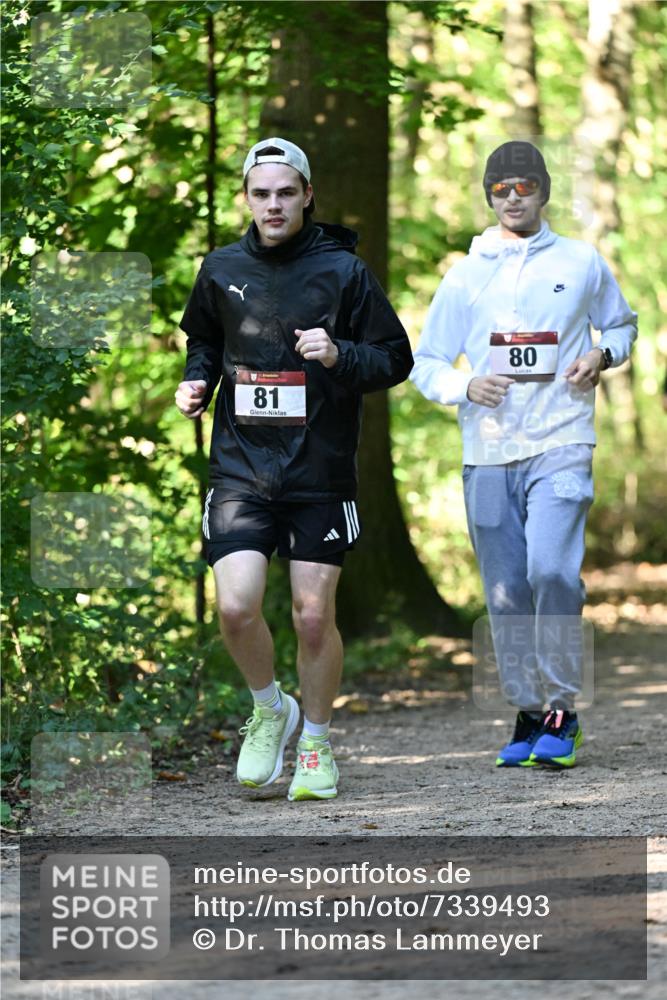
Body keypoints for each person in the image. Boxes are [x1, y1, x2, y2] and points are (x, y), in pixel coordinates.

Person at [176, 137, 413, 800]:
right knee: (236, 606)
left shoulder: (343, 271)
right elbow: (204, 341)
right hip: (241, 471)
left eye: (285, 192)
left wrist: (338, 354)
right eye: (261, 194)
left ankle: (313, 744)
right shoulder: (220, 266)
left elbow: (394, 359)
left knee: (313, 615)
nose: (273, 205)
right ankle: (267, 708)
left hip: (319, 473)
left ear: (307, 195)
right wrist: (196, 384)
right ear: (247, 199)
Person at [411, 140, 637, 769]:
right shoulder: (465, 273)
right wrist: (464, 385)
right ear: (489, 195)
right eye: (500, 189)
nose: (513, 198)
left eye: (524, 187)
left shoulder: (581, 261)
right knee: (506, 591)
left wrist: (602, 354)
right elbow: (425, 363)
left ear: (543, 191)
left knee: (552, 571)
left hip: (562, 438)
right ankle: (529, 709)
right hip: (486, 448)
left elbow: (621, 325)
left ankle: (564, 705)